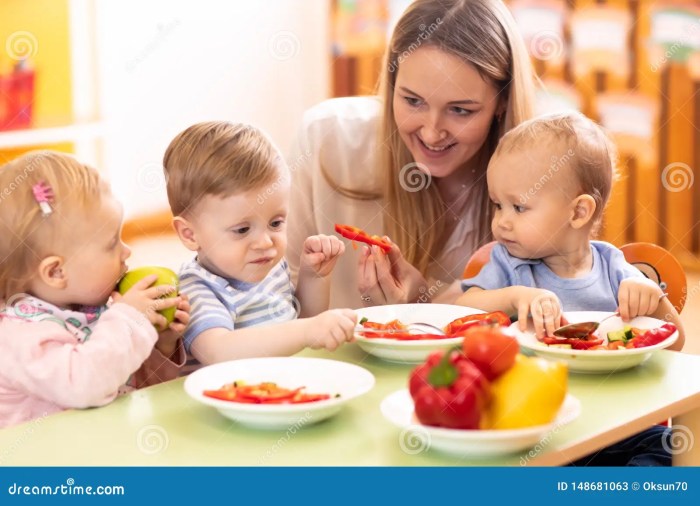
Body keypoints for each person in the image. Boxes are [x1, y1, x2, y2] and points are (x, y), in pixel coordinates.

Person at [287, 0, 537, 309]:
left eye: (460, 110)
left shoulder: (540, 174)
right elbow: (276, 293)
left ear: (502, 103)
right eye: (413, 101)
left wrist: (424, 298)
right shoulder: (325, 137)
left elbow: (540, 314)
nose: (432, 133)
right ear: (392, 85)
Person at [456, 111, 684, 350]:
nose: (502, 221)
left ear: (578, 212)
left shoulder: (613, 267)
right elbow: (461, 309)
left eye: (519, 207)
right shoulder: (509, 263)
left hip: (609, 383)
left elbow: (676, 345)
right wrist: (514, 298)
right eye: (498, 205)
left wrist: (652, 298)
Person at [0, 151, 189, 429]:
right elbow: (86, 385)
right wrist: (130, 322)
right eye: (112, 243)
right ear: (56, 272)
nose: (127, 251)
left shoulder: (93, 311)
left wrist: (161, 343)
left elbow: (126, 387)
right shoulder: (18, 338)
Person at [163, 121, 357, 368]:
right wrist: (307, 330)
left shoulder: (269, 267)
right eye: (242, 230)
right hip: (229, 400)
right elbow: (218, 351)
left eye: (276, 223)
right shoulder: (196, 287)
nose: (265, 242)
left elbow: (301, 324)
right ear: (190, 235)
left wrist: (314, 278)